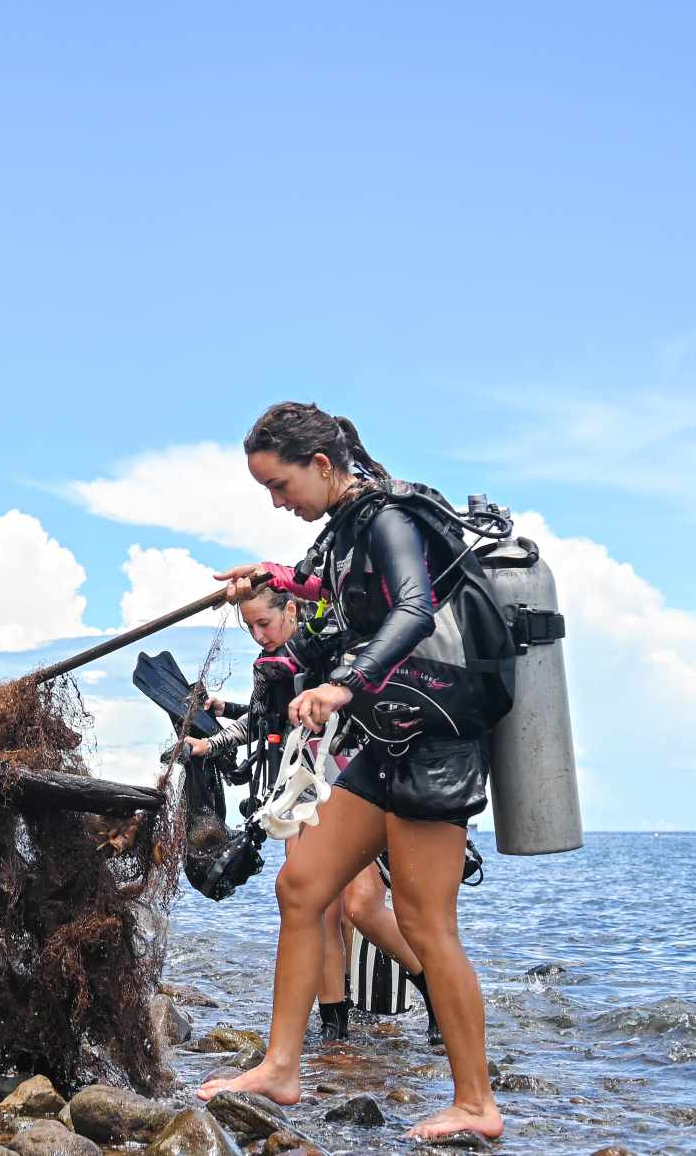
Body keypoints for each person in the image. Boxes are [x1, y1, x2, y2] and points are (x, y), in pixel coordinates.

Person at [195, 403, 505, 1146]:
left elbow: (415, 611)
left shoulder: (388, 520)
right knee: (301, 886)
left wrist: (345, 683)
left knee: (429, 923)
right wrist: (263, 575)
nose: (277, 501)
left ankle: (477, 1103)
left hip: (436, 740)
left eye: (280, 484)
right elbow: (307, 584)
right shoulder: (339, 532)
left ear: (323, 466)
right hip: (389, 737)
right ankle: (281, 1066)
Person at [183, 590, 440, 1047]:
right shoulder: (267, 669)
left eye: (265, 623)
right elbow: (259, 726)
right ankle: (334, 1031)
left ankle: (434, 990)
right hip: (298, 793)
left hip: (351, 782)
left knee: (362, 904)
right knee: (318, 911)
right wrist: (207, 745)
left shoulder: (331, 649)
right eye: (251, 628)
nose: (260, 635)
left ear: (292, 610)